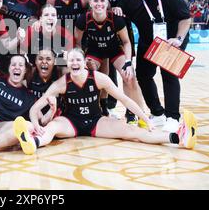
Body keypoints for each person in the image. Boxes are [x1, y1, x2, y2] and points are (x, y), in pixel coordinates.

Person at [13, 48, 198, 156]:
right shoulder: (61, 83)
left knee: (133, 132)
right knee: (51, 129)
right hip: (70, 122)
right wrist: (36, 125)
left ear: (84, 63)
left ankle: (178, 137)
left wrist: (146, 118)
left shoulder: (99, 78)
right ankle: (33, 142)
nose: (74, 63)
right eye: (71, 61)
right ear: (67, 64)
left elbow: (125, 99)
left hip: (96, 121)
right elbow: (35, 109)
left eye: (78, 60)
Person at [118, 0, 192, 132]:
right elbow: (119, 12)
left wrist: (179, 39)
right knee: (143, 76)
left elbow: (186, 19)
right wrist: (117, 10)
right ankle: (158, 114)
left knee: (168, 73)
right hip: (148, 41)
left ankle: (173, 117)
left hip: (172, 39)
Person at [75, 0, 146, 123]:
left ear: (107, 2)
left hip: (114, 49)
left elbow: (126, 42)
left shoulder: (116, 19)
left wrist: (128, 63)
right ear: (90, 2)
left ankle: (136, 113)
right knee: (90, 74)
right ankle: (101, 108)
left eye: (102, 0)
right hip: (95, 51)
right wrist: (82, 60)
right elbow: (77, 43)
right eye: (96, 1)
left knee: (129, 76)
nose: (99, 4)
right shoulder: (83, 19)